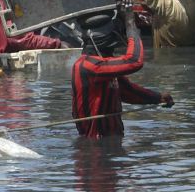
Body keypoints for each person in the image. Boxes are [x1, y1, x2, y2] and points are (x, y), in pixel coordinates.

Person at [71, 9, 173, 138]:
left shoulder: (102, 69)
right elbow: (134, 60)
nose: (113, 52)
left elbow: (128, 91)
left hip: (111, 140)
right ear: (103, 45)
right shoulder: (91, 66)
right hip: (96, 144)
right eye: (112, 48)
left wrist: (158, 98)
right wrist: (131, 25)